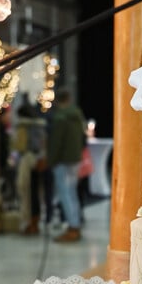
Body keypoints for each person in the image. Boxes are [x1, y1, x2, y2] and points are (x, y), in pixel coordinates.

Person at [46, 88, 86, 243]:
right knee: (72, 194)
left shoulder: (60, 117)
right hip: (75, 159)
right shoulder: (77, 115)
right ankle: (75, 225)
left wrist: (51, 160)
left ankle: (72, 227)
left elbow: (56, 142)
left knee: (65, 195)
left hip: (62, 160)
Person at [13, 96, 47, 235]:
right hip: (34, 160)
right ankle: (32, 222)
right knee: (32, 193)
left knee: (27, 192)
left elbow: (31, 145)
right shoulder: (39, 125)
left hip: (28, 159)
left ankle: (31, 222)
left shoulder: (27, 126)